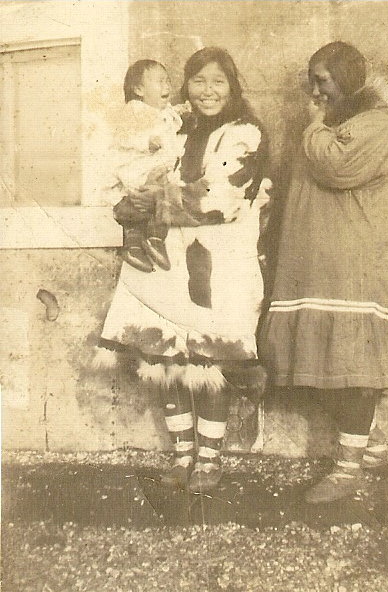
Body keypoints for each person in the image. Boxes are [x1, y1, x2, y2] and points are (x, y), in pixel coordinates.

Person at [95, 47, 270, 493]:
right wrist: (128, 203)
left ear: (232, 88)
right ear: (187, 86)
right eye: (198, 81)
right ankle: (181, 454)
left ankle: (209, 461)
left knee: (210, 360)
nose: (207, 91)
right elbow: (137, 175)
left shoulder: (244, 134)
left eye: (218, 82)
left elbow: (217, 198)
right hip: (167, 263)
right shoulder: (173, 127)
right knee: (168, 359)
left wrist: (151, 204)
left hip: (218, 266)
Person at [259, 42, 388, 503]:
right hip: (316, 265)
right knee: (314, 363)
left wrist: (315, 123)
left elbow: (336, 166)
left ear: (346, 78)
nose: (314, 89)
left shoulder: (373, 124)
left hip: (355, 267)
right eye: (312, 78)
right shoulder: (337, 124)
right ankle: (373, 446)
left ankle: (347, 469)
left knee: (353, 367)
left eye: (322, 79)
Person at [107, 59, 192, 273]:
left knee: (152, 206)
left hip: (156, 170)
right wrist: (146, 142)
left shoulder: (163, 111)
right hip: (138, 171)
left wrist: (182, 111)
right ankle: (154, 240)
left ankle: (136, 247)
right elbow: (122, 136)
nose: (167, 86)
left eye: (168, 81)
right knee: (156, 200)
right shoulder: (134, 110)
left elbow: (172, 119)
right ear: (138, 89)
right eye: (160, 81)